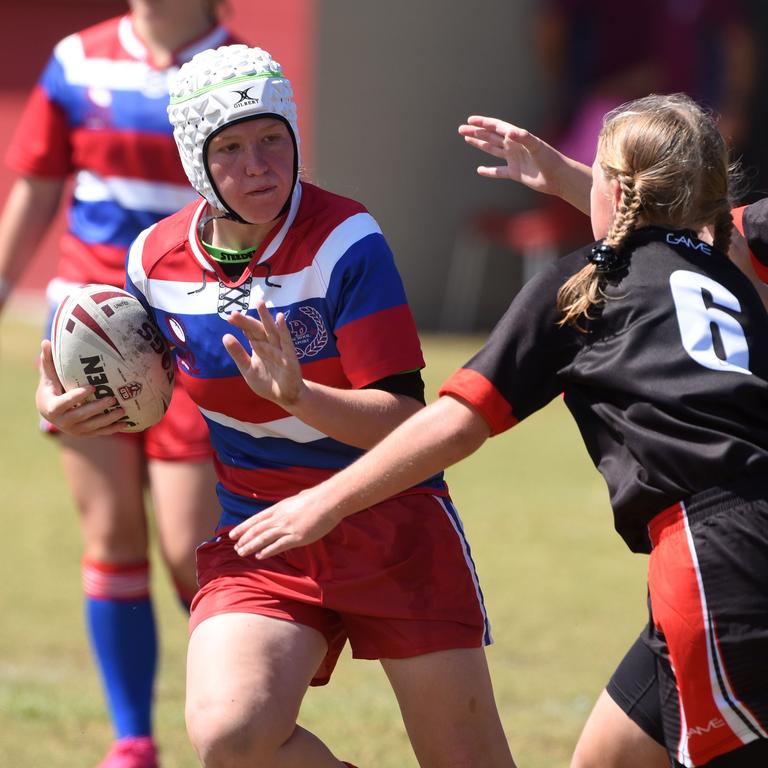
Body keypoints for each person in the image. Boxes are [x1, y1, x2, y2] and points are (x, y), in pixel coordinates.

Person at [222, 93, 768, 768]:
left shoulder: (583, 286)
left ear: (615, 189)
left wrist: (322, 502)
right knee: (609, 759)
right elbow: (681, 218)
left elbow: (453, 426)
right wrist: (576, 177)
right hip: (733, 543)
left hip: (714, 557)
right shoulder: (733, 267)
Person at [36, 44, 517, 768]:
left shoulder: (345, 241)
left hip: (391, 519)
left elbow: (412, 425)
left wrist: (301, 397)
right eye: (229, 148)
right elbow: (125, 368)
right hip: (263, 533)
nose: (257, 165)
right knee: (232, 737)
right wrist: (69, 400)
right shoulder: (153, 265)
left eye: (271, 139)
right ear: (196, 162)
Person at [0, 3, 237, 766]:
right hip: (84, 328)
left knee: (187, 549)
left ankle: (239, 698)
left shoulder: (238, 63)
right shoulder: (77, 58)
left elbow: (267, 189)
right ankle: (132, 741)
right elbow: (36, 182)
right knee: (109, 537)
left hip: (192, 328)